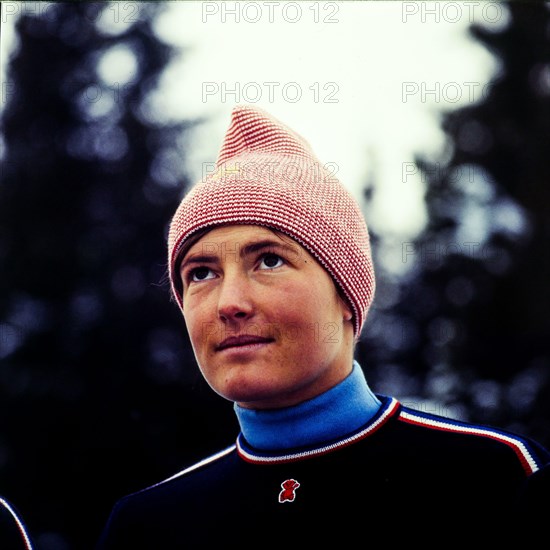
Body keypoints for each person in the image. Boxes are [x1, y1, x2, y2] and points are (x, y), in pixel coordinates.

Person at [97, 105, 549, 547]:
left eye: (268, 260)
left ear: (346, 297)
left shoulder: (494, 478)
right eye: (201, 273)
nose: (229, 303)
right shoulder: (147, 526)